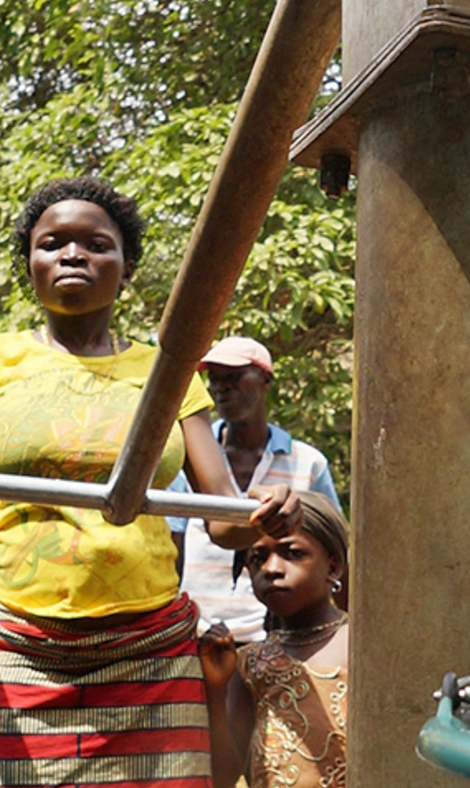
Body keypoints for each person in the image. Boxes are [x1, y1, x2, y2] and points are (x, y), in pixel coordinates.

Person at [0, 176, 302, 788]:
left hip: (147, 652)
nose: (73, 255)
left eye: (96, 244)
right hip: (18, 649)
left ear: (127, 266)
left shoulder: (166, 372)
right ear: (27, 263)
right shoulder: (5, 361)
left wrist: (262, 515)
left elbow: (222, 518)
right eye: (53, 242)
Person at [169, 334, 343, 643]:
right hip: (198, 631)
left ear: (265, 380)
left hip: (281, 634)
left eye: (234, 377)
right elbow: (173, 545)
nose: (222, 388)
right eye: (215, 380)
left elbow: (335, 548)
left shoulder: (306, 462)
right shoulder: (187, 460)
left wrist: (347, 627)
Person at [200, 490, 349, 788]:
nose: (271, 569)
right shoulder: (248, 663)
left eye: (293, 553)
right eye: (257, 558)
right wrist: (216, 689)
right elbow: (224, 776)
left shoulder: (361, 644)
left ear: (333, 566)